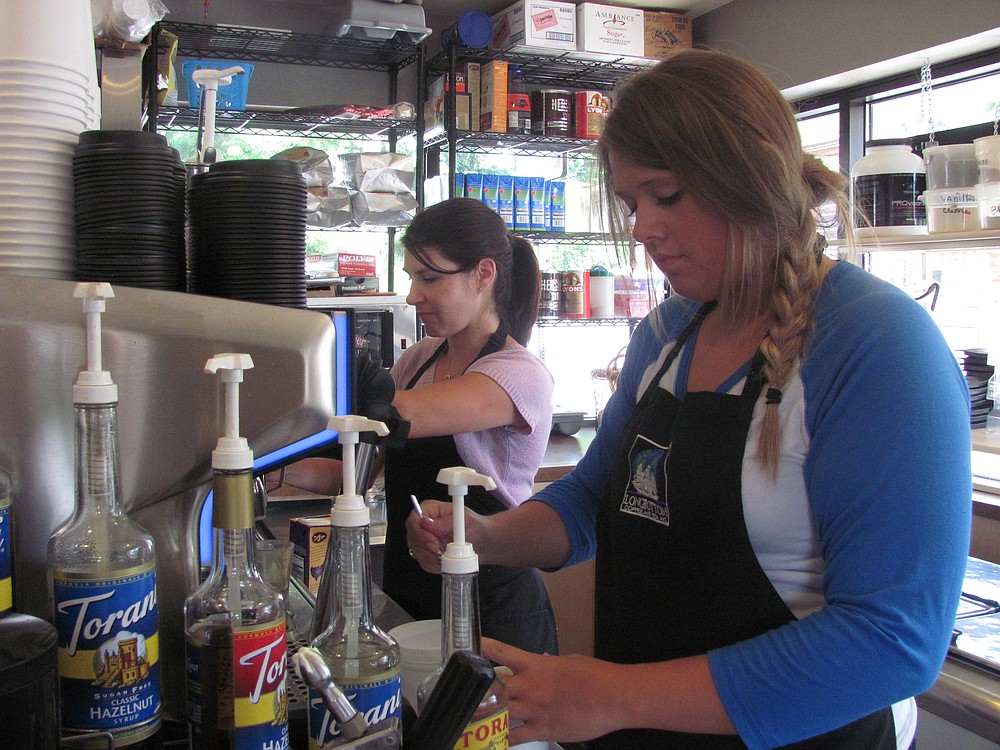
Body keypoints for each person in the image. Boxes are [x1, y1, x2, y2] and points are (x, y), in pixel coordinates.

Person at [405, 49, 971, 749]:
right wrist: (487, 539)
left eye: (664, 196)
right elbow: (592, 501)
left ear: (749, 179)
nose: (642, 226)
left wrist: (614, 694)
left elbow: (893, 641)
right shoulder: (669, 332)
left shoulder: (876, 345)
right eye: (630, 202)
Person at [280, 196, 559, 656]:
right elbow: (358, 465)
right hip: (409, 591)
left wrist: (329, 346)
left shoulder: (517, 373)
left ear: (483, 274)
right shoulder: (416, 361)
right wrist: (275, 471)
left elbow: (400, 415)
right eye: (411, 277)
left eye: (429, 278)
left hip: (492, 608)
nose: (412, 295)